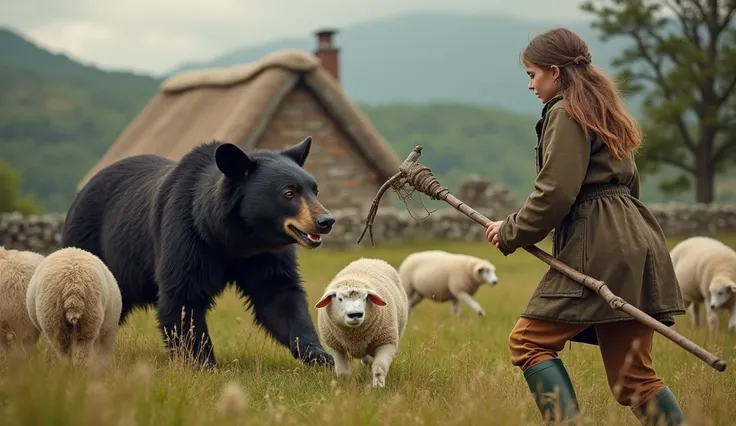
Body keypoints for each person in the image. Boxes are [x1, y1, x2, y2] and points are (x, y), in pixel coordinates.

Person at [484, 28, 687, 426]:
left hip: (600, 243)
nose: (530, 84)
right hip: (637, 238)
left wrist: (510, 230)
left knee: (528, 342)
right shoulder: (604, 109)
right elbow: (629, 187)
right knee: (633, 379)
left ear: (555, 72)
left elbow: (556, 192)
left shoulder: (565, 110)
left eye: (533, 74)